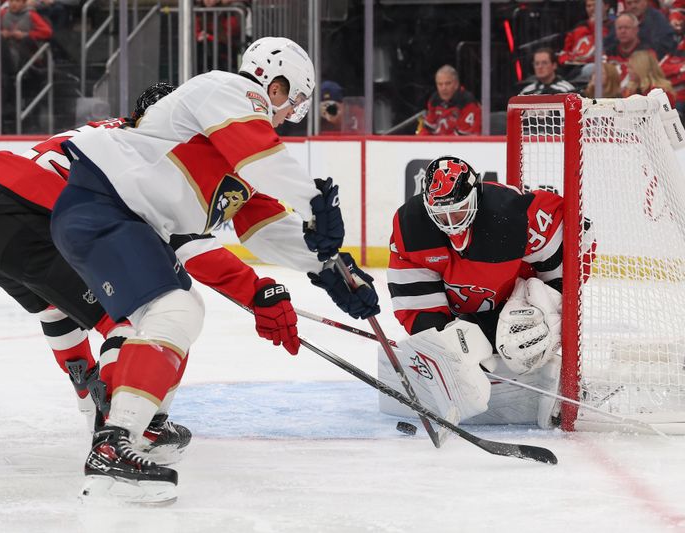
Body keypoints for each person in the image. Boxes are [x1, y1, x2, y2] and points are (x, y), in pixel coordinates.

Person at [49, 36, 380, 503]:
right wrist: (316, 201)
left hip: (115, 218)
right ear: (276, 84)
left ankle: (126, 437)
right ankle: (114, 441)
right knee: (177, 310)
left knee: (178, 311)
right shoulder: (224, 89)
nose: (288, 118)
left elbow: (263, 225)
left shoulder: (234, 155)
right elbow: (259, 153)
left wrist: (330, 268)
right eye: (292, 105)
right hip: (103, 206)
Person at [0, 84, 198, 466]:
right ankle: (125, 434)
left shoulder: (106, 129)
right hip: (29, 220)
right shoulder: (146, 152)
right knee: (135, 316)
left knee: (55, 308)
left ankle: (91, 409)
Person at [381, 156, 576, 429]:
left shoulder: (512, 214)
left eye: (458, 211)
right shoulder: (411, 227)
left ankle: (545, 371)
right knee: (441, 346)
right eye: (440, 215)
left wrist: (550, 310)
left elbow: (566, 254)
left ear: (475, 197)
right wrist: (444, 351)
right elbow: (417, 301)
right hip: (460, 315)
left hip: (512, 301)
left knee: (522, 339)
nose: (451, 222)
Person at [417, 65, 481, 136]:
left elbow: (463, 137)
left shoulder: (467, 102)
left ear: (456, 84)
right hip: (440, 143)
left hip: (466, 145)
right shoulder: (434, 100)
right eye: (440, 84)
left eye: (448, 84)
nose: (443, 88)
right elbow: (428, 128)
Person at [558, 0, 614, 66]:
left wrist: (594, 26)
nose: (591, 8)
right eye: (588, 6)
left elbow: (608, 49)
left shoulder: (613, 26)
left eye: (595, 5)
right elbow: (566, 50)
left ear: (606, 6)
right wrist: (568, 59)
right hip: (575, 65)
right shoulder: (579, 26)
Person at [606, 12, 655, 85]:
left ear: (636, 29)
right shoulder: (609, 52)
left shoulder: (647, 53)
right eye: (619, 28)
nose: (623, 31)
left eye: (627, 27)